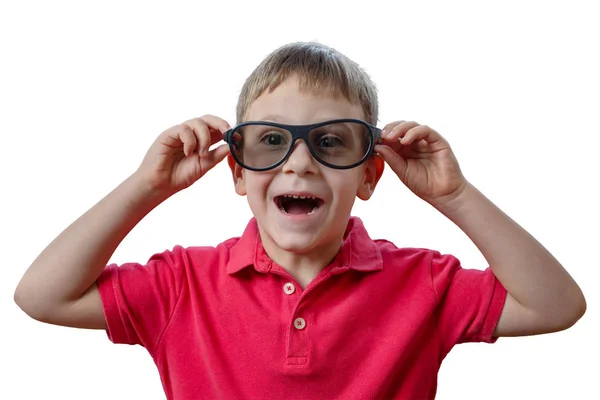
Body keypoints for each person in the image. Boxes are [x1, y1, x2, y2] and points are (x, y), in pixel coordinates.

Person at [14, 42, 586, 399]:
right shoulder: (181, 285)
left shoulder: (423, 284)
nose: (301, 162)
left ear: (369, 176)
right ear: (237, 174)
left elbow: (556, 306)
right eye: (271, 141)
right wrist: (147, 187)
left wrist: (455, 196)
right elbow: (42, 296)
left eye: (332, 141)